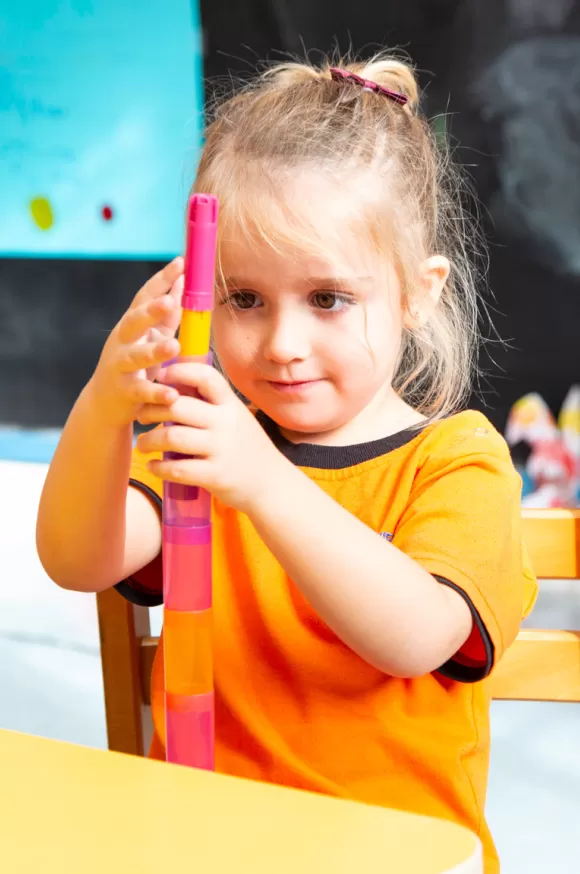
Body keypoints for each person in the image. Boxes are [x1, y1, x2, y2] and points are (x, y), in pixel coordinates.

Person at [37, 54, 537, 873]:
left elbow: (414, 639)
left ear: (416, 293)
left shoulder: (457, 461)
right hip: (209, 850)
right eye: (244, 299)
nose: (282, 345)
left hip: (394, 857)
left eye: (328, 299)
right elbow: (73, 557)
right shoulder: (204, 445)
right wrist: (103, 401)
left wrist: (266, 482)